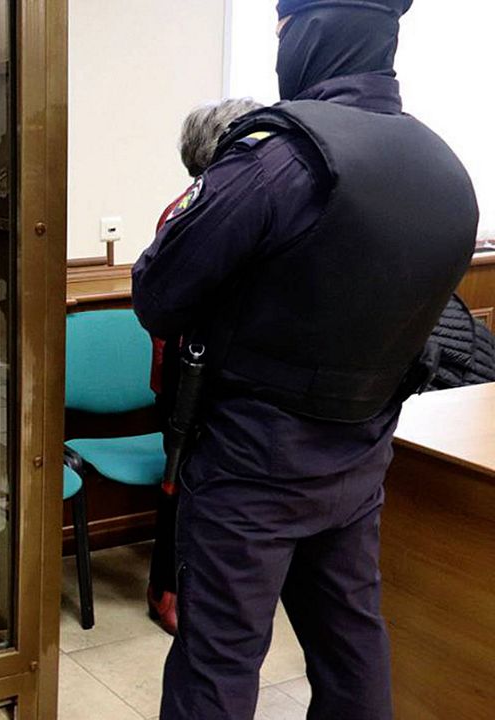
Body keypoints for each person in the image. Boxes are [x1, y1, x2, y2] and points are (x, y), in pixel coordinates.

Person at [132, 1, 478, 718]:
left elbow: (159, 295)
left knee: (218, 662)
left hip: (253, 465)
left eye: (284, 31)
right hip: (361, 456)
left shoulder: (279, 158)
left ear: (315, 32)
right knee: (352, 651)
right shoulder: (447, 168)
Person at [147, 97, 263, 636]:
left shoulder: (256, 200)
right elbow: (162, 304)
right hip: (189, 377)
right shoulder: (196, 205)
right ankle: (167, 591)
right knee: (182, 485)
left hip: (241, 379)